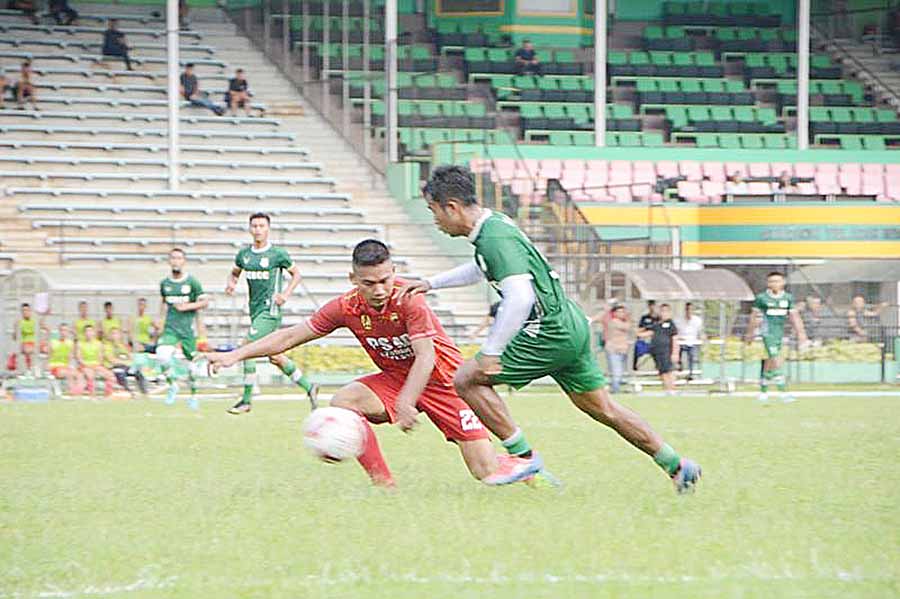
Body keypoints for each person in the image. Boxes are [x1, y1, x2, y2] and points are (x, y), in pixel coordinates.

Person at [400, 165, 701, 492]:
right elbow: (482, 268)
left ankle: (523, 457)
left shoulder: (494, 238)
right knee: (604, 409)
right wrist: (431, 283)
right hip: (570, 323)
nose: (435, 221)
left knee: (466, 379)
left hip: (548, 331)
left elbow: (519, 297)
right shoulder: (495, 225)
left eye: (434, 211)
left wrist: (492, 350)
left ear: (452, 207)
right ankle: (675, 464)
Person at [205, 240, 529, 488]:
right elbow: (291, 336)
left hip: (445, 382)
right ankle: (384, 485)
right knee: (344, 401)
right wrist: (236, 354)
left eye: (385, 280)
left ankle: (532, 472)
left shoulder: (410, 299)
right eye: (369, 283)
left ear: (394, 273)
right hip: (395, 379)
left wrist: (406, 401)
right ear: (353, 279)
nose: (379, 290)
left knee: (485, 472)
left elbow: (426, 357)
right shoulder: (346, 307)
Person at [224, 212, 319, 415]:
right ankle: (309, 387)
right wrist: (231, 283)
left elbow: (297, 274)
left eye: (261, 226)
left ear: (268, 229)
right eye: (254, 226)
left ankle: (246, 400)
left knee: (248, 347)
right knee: (275, 356)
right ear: (250, 229)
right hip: (255, 310)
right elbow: (235, 271)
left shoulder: (277, 254)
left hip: (270, 310)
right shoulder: (244, 255)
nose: (258, 229)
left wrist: (285, 294)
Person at [745, 272, 809, 404]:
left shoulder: (787, 298)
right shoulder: (762, 298)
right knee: (775, 359)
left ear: (783, 282)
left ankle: (763, 392)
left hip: (779, 332)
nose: (774, 284)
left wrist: (801, 334)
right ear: (768, 283)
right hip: (767, 332)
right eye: (771, 281)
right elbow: (754, 316)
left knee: (770, 361)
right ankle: (783, 391)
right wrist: (750, 333)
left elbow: (794, 317)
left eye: (777, 281)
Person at [157, 248, 209, 409]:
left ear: (184, 261)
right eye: (173, 258)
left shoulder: (192, 282)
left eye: (179, 258)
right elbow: (164, 305)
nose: (176, 261)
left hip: (188, 331)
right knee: (162, 355)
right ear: (169, 261)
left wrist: (187, 306)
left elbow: (204, 302)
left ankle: (193, 396)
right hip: (170, 329)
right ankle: (172, 385)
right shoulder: (165, 284)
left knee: (192, 368)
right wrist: (160, 322)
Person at [104, 327, 147, 397]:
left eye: (117, 334)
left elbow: (130, 356)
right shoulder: (107, 346)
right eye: (113, 334)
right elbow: (111, 360)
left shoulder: (121, 345)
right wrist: (126, 362)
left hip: (124, 366)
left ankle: (144, 392)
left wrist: (131, 361)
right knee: (120, 373)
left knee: (138, 372)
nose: (115, 336)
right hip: (112, 367)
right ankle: (129, 392)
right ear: (109, 335)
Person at [44, 322, 86, 395]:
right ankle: (73, 392)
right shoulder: (53, 342)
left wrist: (75, 336)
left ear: (68, 332)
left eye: (65, 330)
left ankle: (79, 392)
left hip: (65, 367)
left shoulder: (70, 343)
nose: (63, 332)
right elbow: (48, 356)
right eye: (62, 330)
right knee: (69, 374)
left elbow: (71, 356)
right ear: (59, 331)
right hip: (55, 367)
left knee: (79, 374)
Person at [77, 325, 116, 398]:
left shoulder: (98, 343)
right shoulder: (80, 343)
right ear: (84, 333)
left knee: (110, 375)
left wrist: (96, 366)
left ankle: (108, 395)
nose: (88, 333)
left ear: (93, 333)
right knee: (90, 375)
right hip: (85, 365)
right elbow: (79, 357)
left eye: (90, 331)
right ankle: (92, 395)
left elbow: (100, 358)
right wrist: (87, 365)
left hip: (96, 365)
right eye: (87, 331)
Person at [648, 304, 680, 395]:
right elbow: (649, 332)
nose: (664, 313)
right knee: (662, 371)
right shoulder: (657, 324)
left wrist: (675, 353)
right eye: (662, 311)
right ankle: (666, 389)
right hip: (657, 351)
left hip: (667, 351)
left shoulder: (671, 324)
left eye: (666, 311)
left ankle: (672, 388)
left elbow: (675, 338)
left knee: (669, 370)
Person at [604, 304, 631, 394]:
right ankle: (615, 390)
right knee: (616, 371)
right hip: (614, 350)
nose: (622, 314)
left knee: (621, 371)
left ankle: (617, 388)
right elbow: (627, 327)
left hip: (623, 350)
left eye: (623, 312)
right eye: (619, 312)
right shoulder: (614, 322)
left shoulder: (623, 322)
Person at [677, 302, 704, 380]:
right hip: (682, 342)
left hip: (692, 343)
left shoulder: (697, 320)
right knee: (678, 349)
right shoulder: (679, 320)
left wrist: (702, 338)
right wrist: (680, 338)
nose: (689, 311)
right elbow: (676, 333)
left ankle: (691, 373)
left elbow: (700, 333)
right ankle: (679, 365)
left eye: (691, 310)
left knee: (692, 355)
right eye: (687, 309)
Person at [634, 300, 659, 370]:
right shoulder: (644, 317)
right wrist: (645, 328)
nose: (652, 307)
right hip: (645, 339)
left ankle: (658, 366)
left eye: (653, 305)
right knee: (636, 347)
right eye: (650, 305)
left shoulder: (658, 318)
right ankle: (634, 367)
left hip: (655, 340)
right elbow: (639, 329)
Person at [13, 302, 37, 373]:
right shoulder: (20, 322)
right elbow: (15, 338)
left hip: (34, 343)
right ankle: (29, 369)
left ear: (30, 311)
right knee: (27, 349)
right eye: (23, 310)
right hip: (24, 343)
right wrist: (15, 328)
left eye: (27, 310)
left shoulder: (34, 321)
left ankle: (33, 369)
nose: (25, 312)